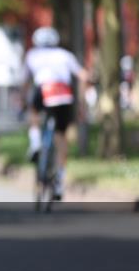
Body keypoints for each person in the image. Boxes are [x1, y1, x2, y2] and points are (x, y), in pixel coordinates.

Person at [23, 26, 89, 200]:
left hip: (43, 90)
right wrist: (82, 102)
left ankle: (36, 142)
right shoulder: (65, 55)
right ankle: (59, 180)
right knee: (61, 136)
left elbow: (25, 80)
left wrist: (24, 99)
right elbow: (84, 76)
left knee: (34, 112)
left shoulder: (32, 55)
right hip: (63, 94)